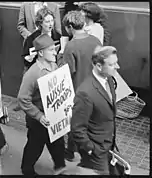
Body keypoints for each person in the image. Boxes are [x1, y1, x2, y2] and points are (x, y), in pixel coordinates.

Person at [18, 34, 66, 175]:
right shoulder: (32, 74)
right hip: (38, 119)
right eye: (51, 50)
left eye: (54, 49)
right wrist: (38, 116)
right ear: (40, 53)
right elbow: (22, 99)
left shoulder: (54, 65)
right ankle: (26, 169)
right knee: (35, 145)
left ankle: (60, 166)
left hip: (53, 115)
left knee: (58, 142)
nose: (54, 52)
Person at [57, 10, 102, 162]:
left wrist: (60, 57)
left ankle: (71, 152)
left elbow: (68, 72)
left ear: (70, 27)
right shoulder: (96, 41)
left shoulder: (71, 46)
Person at [71, 45, 120, 175]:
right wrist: (90, 149)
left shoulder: (108, 79)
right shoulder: (85, 93)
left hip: (108, 144)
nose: (117, 67)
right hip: (96, 151)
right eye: (112, 64)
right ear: (98, 66)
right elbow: (77, 128)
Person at [22, 6, 61, 72]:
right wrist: (29, 58)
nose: (51, 24)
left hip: (53, 70)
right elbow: (25, 60)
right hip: (38, 71)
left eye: (52, 21)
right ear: (40, 23)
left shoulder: (57, 36)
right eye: (47, 22)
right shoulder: (31, 39)